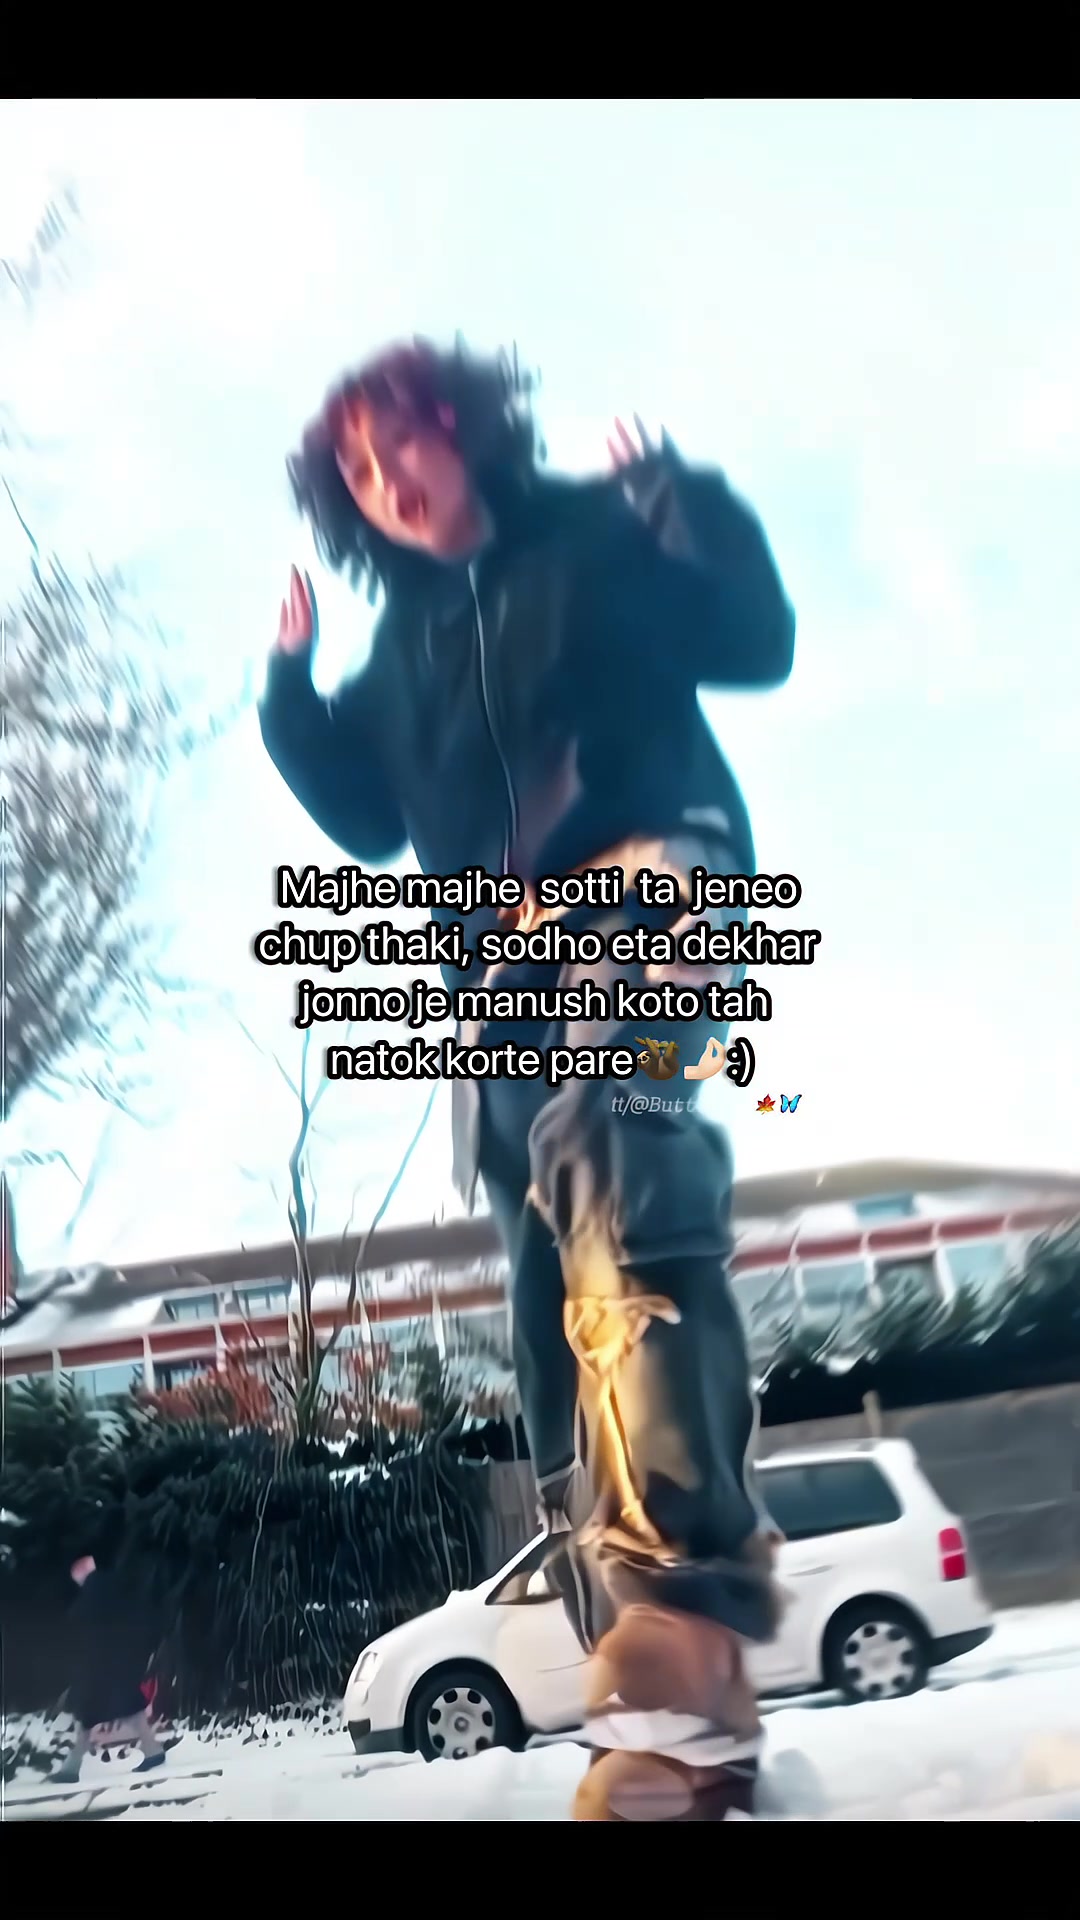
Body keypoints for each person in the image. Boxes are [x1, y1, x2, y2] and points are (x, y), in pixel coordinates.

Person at [260, 340, 796, 1820]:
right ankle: (652, 1678)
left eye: (399, 442)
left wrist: (683, 505)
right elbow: (366, 820)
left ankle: (683, 1644)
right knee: (550, 1292)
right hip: (493, 976)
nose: (386, 481)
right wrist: (290, 691)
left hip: (653, 875)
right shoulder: (397, 656)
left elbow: (753, 638)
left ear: (462, 424)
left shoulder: (596, 534)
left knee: (613, 1144)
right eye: (357, 472)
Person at [51, 1555, 166, 1784]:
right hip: (118, 1665)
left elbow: (79, 1621)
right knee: (128, 1709)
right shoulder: (114, 1589)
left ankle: (71, 1768)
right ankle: (153, 1751)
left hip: (100, 1669)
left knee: (90, 1715)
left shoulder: (93, 1594)